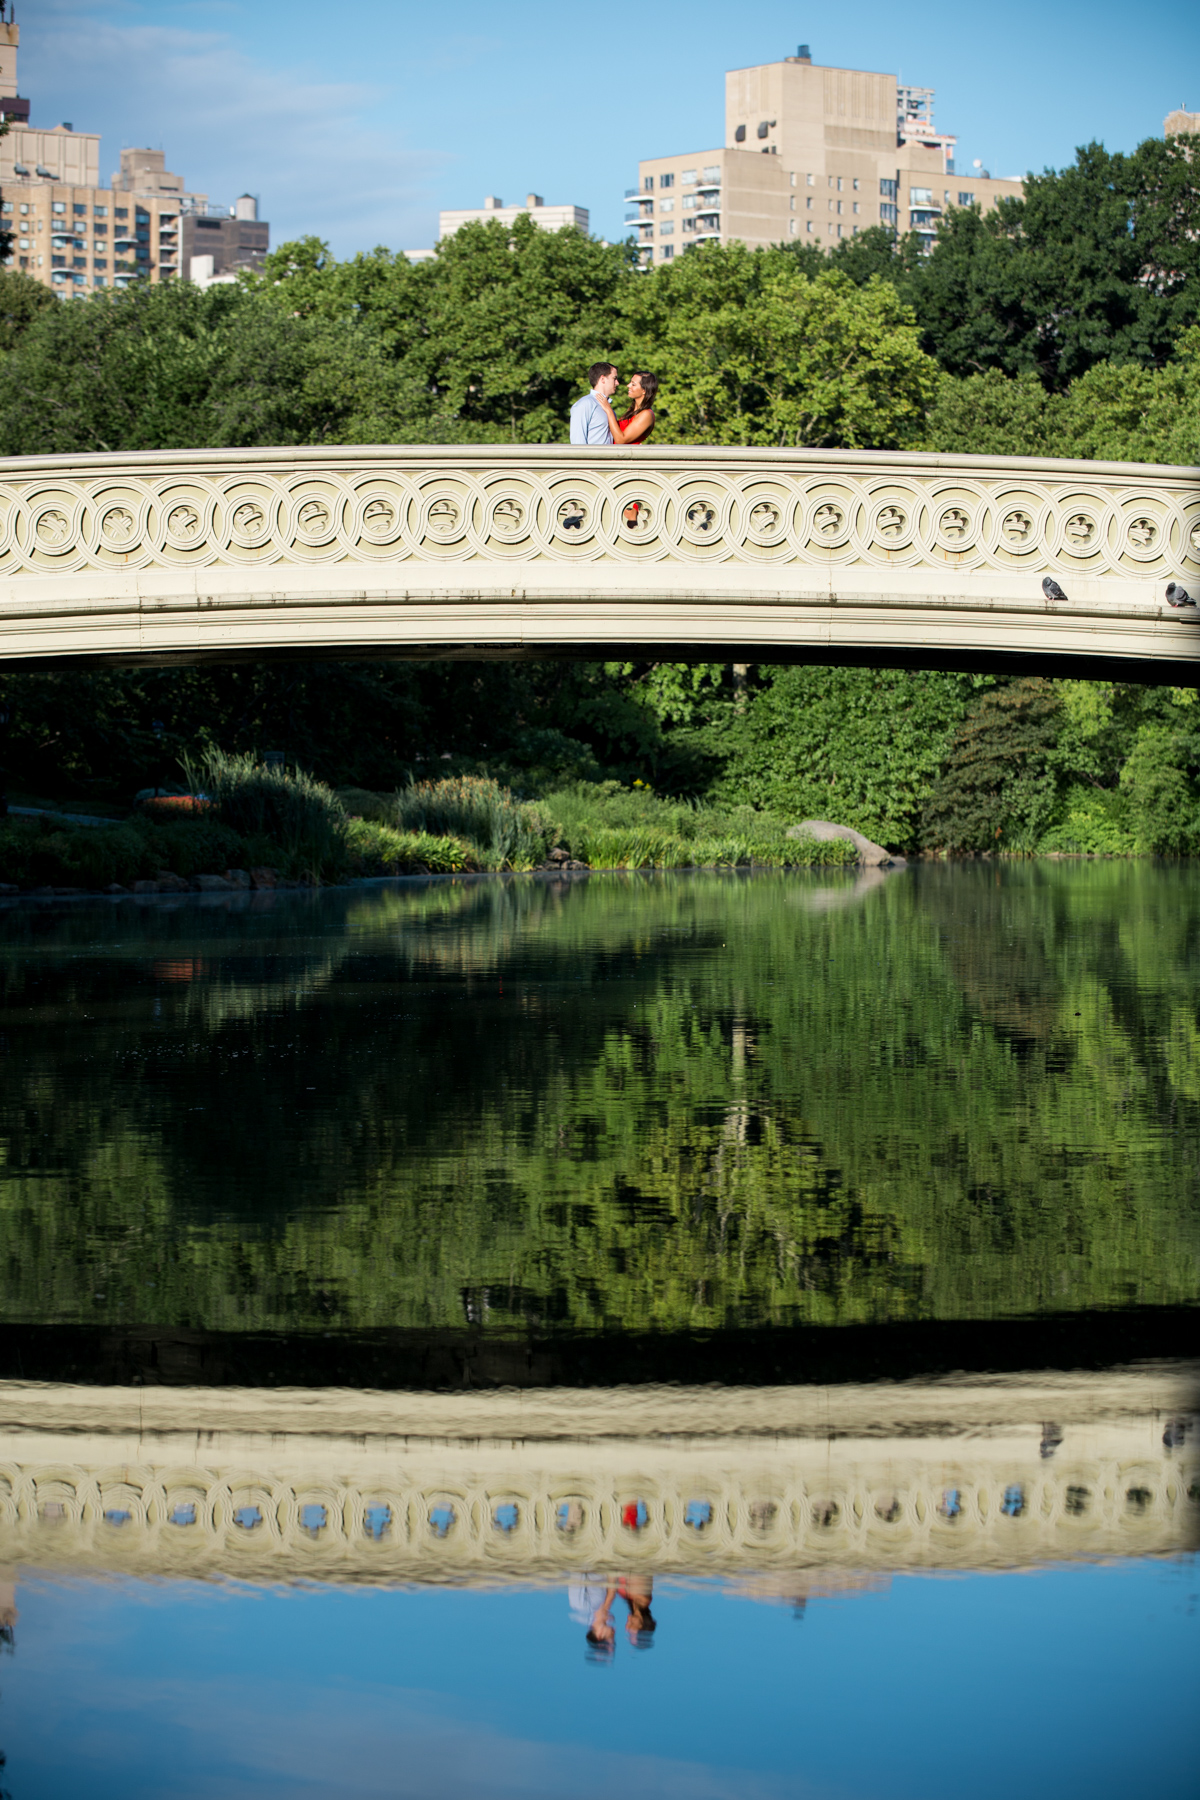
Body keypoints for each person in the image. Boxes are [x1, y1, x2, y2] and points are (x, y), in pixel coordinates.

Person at [601, 373, 658, 447]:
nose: (628, 385)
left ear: (644, 390)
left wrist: (609, 410)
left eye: (633, 384)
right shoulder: (632, 410)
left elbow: (620, 440)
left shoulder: (646, 414)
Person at [569, 363, 620, 445]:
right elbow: (578, 442)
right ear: (603, 379)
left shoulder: (609, 408)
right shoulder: (585, 404)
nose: (617, 383)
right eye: (614, 378)